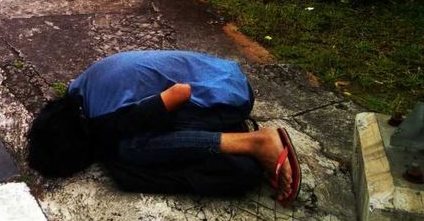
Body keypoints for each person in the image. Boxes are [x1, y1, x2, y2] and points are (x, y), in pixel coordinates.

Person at [27, 50, 301, 206]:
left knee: (130, 150)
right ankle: (238, 145)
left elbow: (179, 93)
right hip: (222, 75)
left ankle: (255, 142)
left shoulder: (106, 120)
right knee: (127, 153)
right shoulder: (79, 88)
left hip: (229, 99)